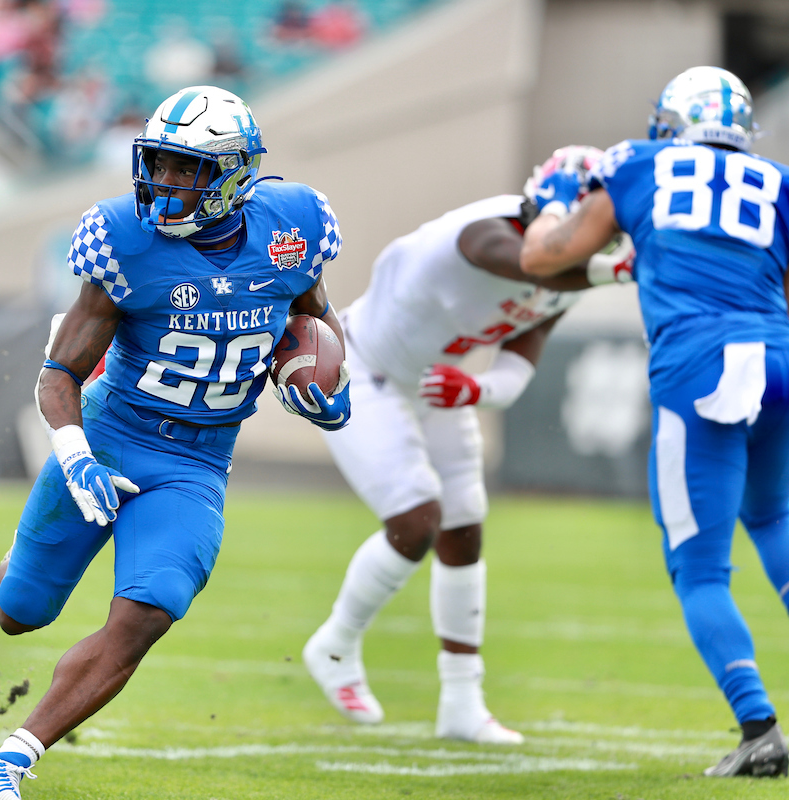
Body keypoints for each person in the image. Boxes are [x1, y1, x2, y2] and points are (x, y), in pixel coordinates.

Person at [0, 84, 350, 800]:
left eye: (184, 169)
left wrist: (329, 383)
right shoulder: (124, 240)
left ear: (232, 172)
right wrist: (75, 458)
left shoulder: (293, 228)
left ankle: (6, 763)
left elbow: (317, 318)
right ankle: (26, 560)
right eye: (157, 164)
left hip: (195, 464)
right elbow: (57, 375)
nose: (162, 183)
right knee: (18, 613)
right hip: (109, 434)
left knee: (147, 612)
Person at [302, 145, 635, 743]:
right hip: (366, 367)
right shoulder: (486, 232)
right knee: (417, 515)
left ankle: (462, 701)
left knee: (465, 525)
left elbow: (514, 375)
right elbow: (533, 264)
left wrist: (472, 388)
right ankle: (336, 642)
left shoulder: (569, 275)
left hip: (434, 379)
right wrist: (614, 268)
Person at [520, 66, 789, 778]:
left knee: (699, 568)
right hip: (777, 356)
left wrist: (552, 202)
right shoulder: (778, 180)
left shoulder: (639, 163)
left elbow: (543, 255)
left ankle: (759, 727)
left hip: (699, 366)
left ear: (671, 121)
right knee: (775, 521)